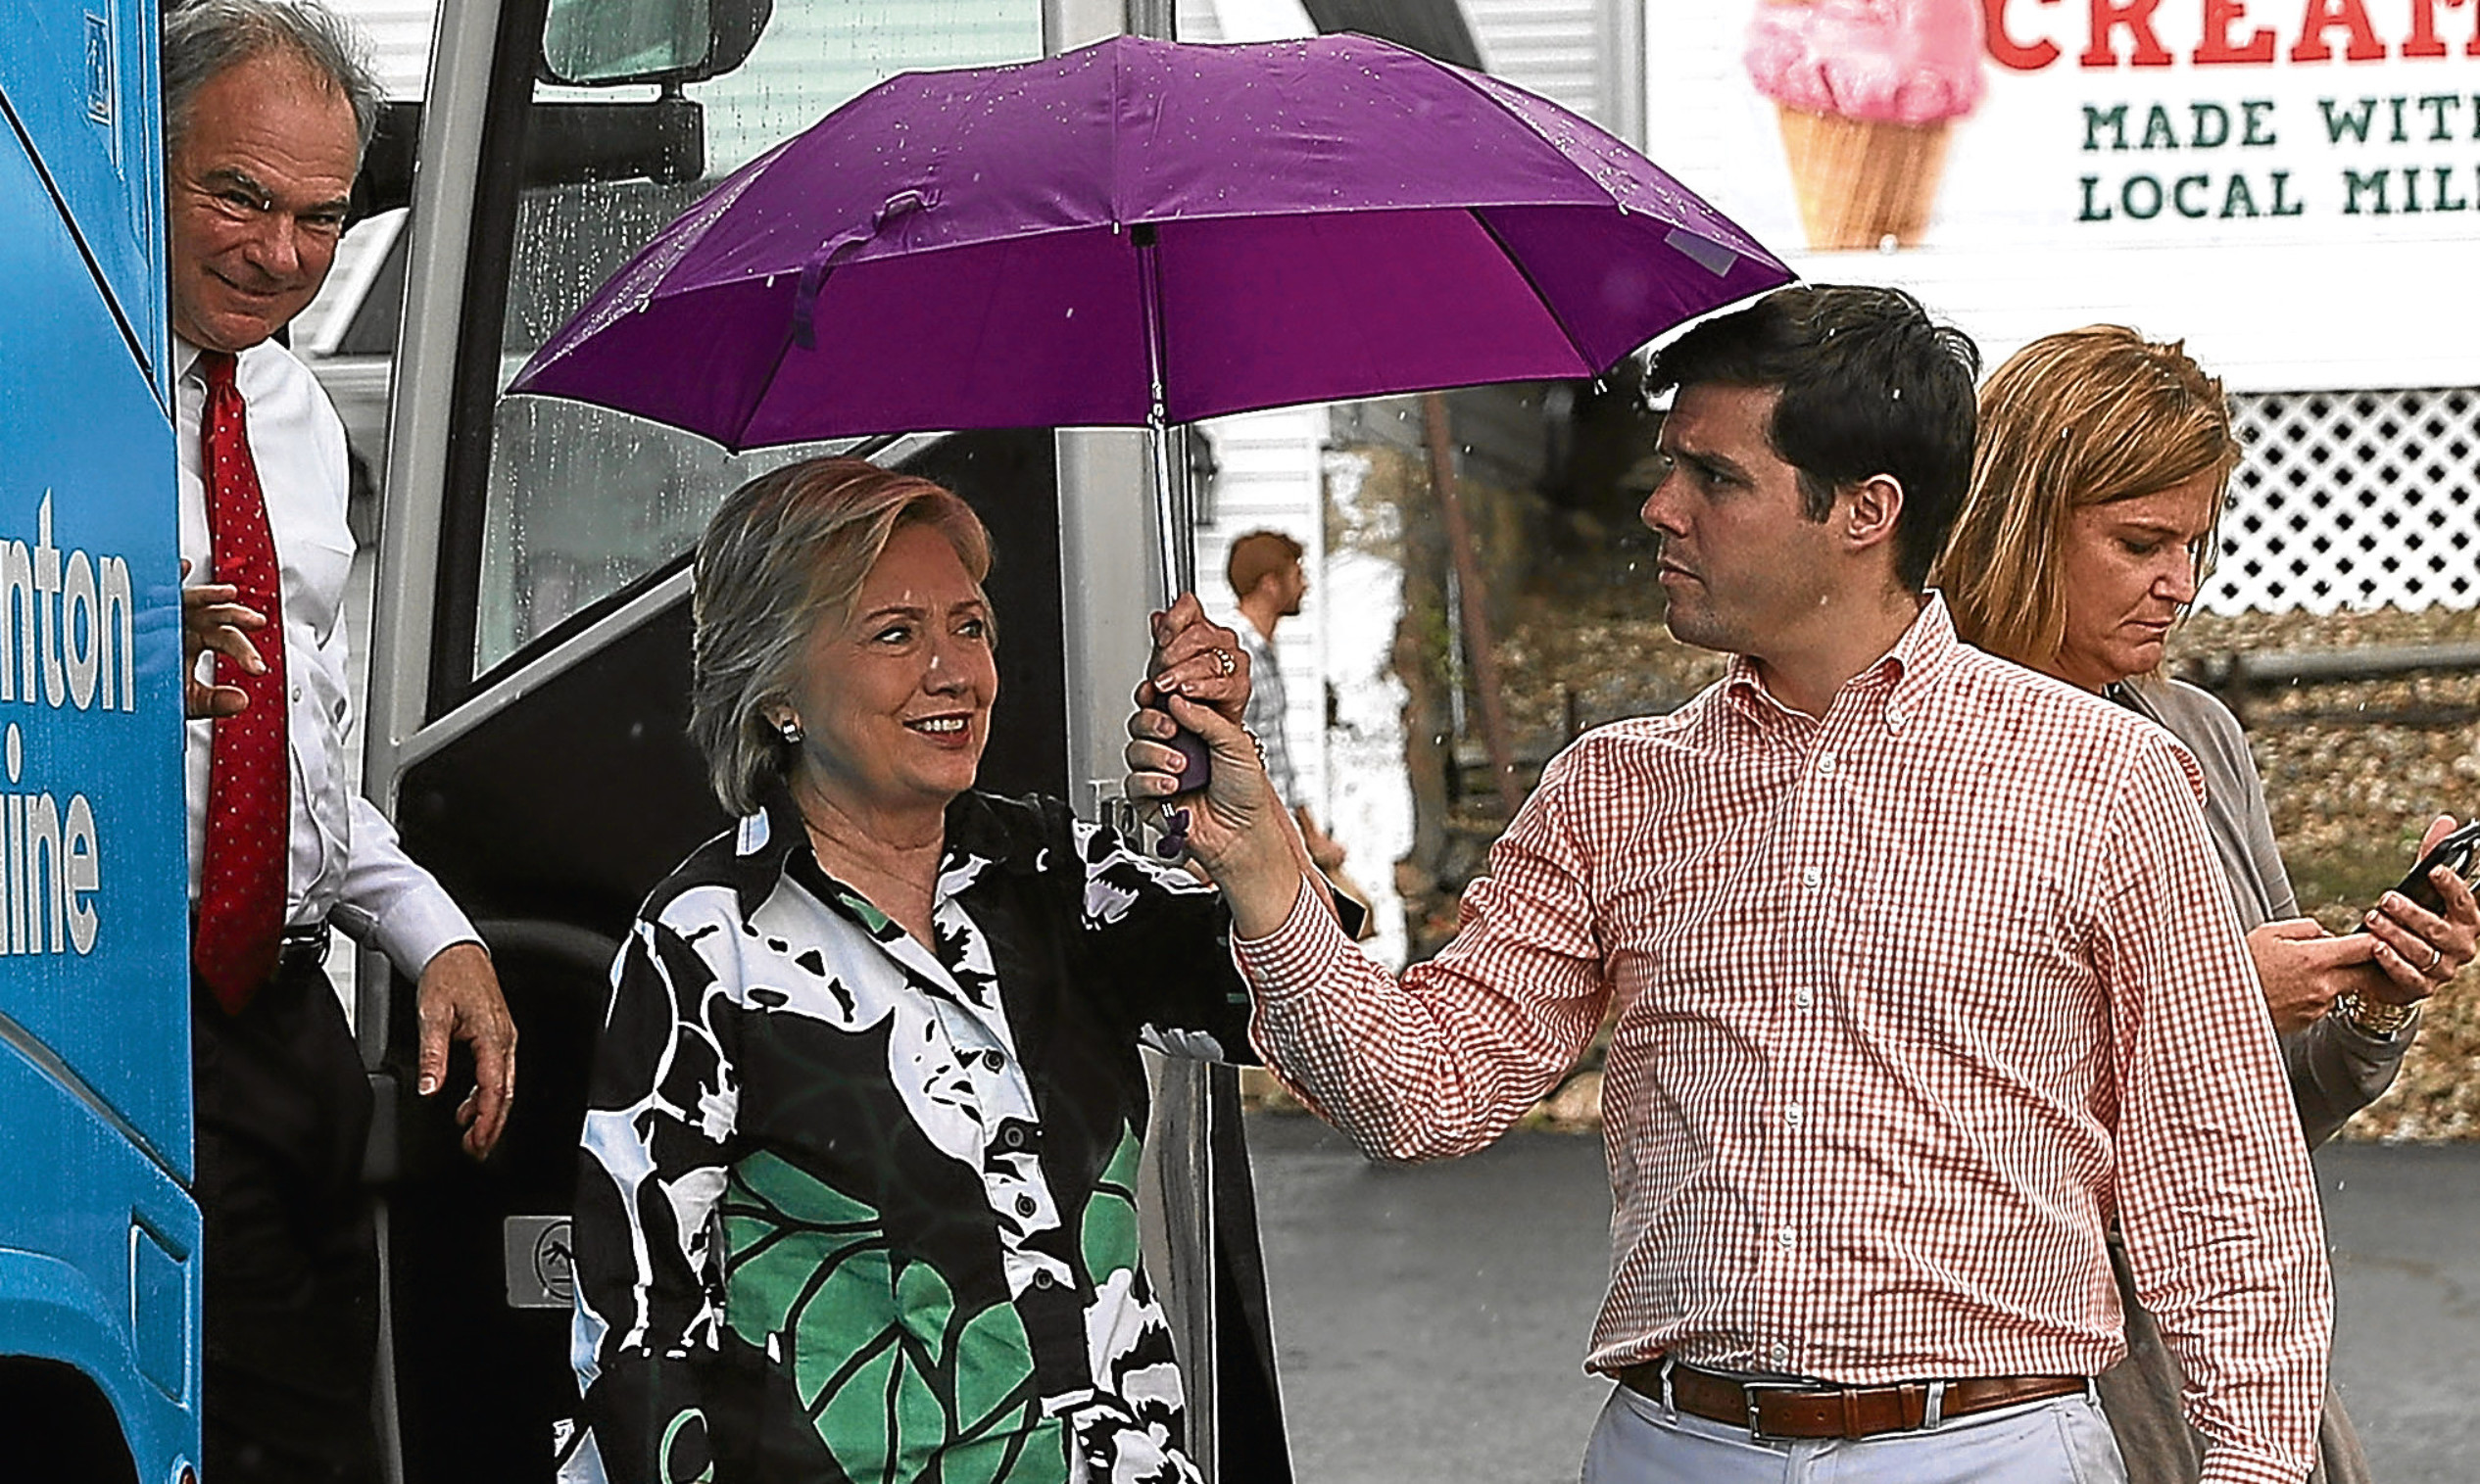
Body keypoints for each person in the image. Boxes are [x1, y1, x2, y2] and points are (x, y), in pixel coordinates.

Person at [1127, 284, 2330, 1484]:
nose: (1659, 509)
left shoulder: (2106, 780)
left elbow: (2223, 1188)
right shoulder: (1615, 791)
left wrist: (2257, 1469)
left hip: (1987, 1452)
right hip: (1674, 1451)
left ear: (1864, 512)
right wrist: (1257, 861)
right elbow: (1425, 1094)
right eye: (1668, 467)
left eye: (1714, 477)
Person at [569, 457, 1325, 1484]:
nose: (952, 671)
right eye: (894, 633)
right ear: (776, 686)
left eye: (968, 626)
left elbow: (1303, 1014)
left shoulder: (1054, 876)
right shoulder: (708, 938)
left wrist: (1236, 808)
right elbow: (638, 1327)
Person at [1937, 325, 2479, 1484]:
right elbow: (1904, 1094)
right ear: (2018, 522)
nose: (2178, 584)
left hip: (2226, 1364)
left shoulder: (2195, 735)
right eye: (2139, 542)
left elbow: (2264, 1127)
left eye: (2194, 541)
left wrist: (2367, 999)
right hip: (2019, 1380)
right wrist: (2220, 994)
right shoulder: (1915, 743)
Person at [165, 2, 517, 1477]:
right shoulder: (36, 377)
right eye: (237, 195)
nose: (281, 253)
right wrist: (102, 650)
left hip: (287, 1022)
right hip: (117, 1004)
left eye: (320, 215)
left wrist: (428, 930)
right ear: (134, 158)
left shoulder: (296, 414)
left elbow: (293, 739)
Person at [1226, 529, 1353, 891]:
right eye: (1297, 575)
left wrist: (1309, 835)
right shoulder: (1237, 657)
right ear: (1270, 584)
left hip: (1277, 836)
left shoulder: (1263, 650)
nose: (1306, 586)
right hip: (1254, 841)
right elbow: (1242, 761)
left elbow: (1278, 758)